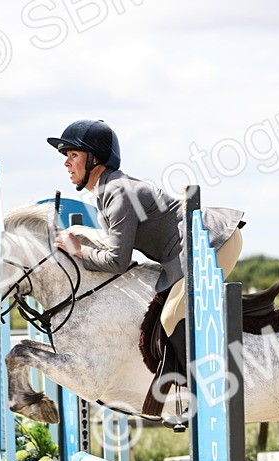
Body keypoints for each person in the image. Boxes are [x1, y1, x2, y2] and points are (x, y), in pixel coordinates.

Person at [47, 119, 244, 419]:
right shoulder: (107, 191)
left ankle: (197, 393)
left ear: (95, 158)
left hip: (211, 241)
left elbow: (116, 261)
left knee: (170, 315)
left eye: (73, 155)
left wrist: (78, 250)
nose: (66, 163)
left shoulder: (117, 193)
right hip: (184, 250)